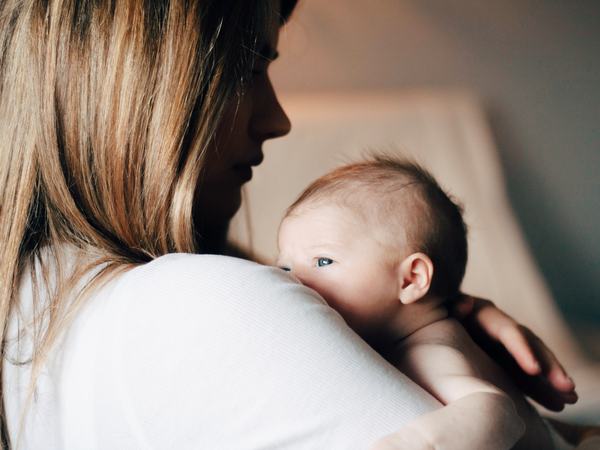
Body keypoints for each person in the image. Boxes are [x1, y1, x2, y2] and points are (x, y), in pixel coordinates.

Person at [0, 0, 579, 449]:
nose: (276, 119)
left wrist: (436, 313)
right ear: (133, 86)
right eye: (247, 69)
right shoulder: (198, 302)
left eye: (322, 263)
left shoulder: (35, 300)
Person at [277, 156, 579, 449]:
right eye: (285, 268)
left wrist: (418, 443)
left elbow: (498, 412)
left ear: (411, 279)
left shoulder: (429, 351)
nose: (294, 280)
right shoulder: (405, 335)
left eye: (323, 260)